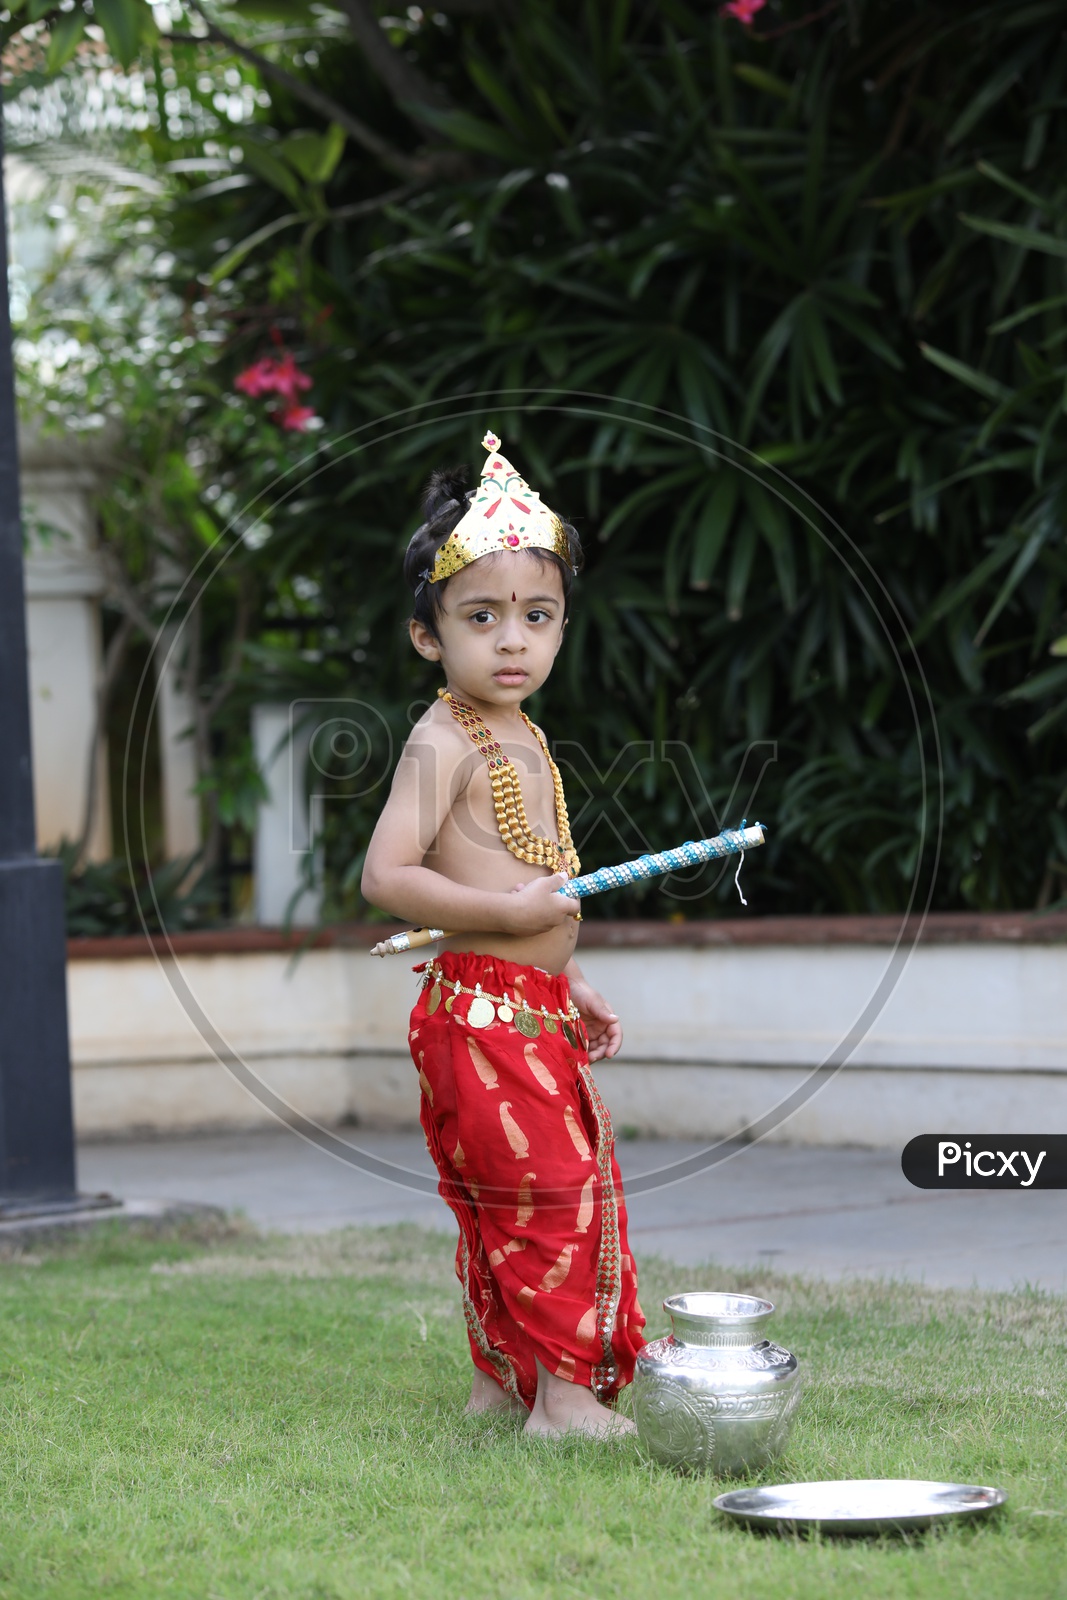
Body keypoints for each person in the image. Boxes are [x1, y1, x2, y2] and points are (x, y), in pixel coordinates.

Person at [361, 430, 645, 1436]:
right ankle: (562, 1401)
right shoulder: (441, 738)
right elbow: (387, 875)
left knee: (517, 1200)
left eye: (536, 616)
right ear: (429, 637)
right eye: (481, 618)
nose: (512, 640)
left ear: (563, 626)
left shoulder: (520, 733)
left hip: (524, 1009)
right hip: (478, 1014)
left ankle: (504, 1386)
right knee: (544, 1200)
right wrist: (520, 921)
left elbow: (524, 885)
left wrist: (566, 981)